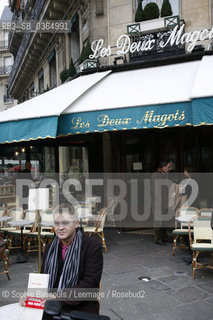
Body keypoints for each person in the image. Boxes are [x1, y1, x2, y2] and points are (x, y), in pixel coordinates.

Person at [20, 202, 103, 314]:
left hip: (80, 307)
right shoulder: (50, 248)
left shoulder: (92, 246)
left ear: (76, 223)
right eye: (57, 223)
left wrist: (59, 297)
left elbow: (90, 283)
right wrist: (31, 295)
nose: (60, 228)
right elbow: (43, 278)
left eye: (65, 223)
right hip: (50, 303)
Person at [151, 160, 172, 245]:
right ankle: (158, 239)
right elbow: (156, 191)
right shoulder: (156, 176)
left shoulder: (163, 175)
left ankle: (164, 238)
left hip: (163, 202)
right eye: (168, 167)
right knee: (158, 222)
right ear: (163, 167)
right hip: (158, 202)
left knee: (163, 221)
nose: (169, 169)